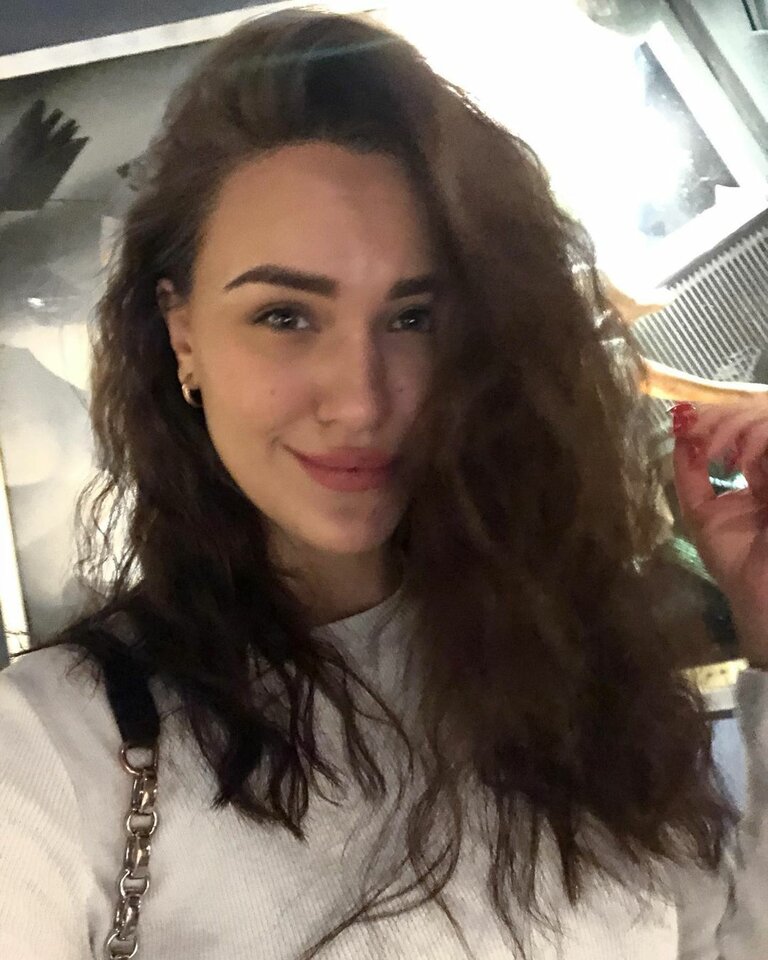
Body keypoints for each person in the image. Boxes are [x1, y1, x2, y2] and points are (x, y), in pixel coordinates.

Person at [1, 11, 767, 960]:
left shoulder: (575, 661)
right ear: (183, 334)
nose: (362, 401)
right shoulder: (60, 751)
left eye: (412, 318)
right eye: (285, 316)